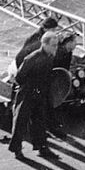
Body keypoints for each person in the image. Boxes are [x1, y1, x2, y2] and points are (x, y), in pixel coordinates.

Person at [9, 31, 62, 159]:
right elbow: (20, 77)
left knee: (39, 121)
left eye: (56, 45)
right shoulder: (32, 58)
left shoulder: (49, 56)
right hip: (27, 93)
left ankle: (42, 148)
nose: (56, 48)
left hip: (40, 93)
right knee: (21, 120)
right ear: (44, 44)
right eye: (53, 45)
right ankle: (17, 150)